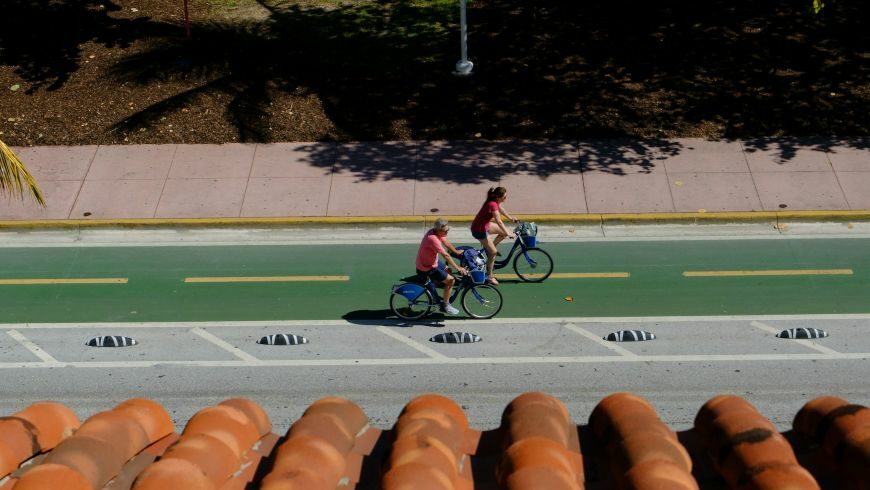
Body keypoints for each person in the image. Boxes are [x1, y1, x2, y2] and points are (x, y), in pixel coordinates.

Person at [416, 218, 467, 315]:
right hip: (426, 267)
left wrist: (456, 252)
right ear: (439, 230)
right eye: (446, 231)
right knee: (451, 280)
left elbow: (446, 242)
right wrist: (458, 268)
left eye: (448, 230)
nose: (447, 232)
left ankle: (440, 289)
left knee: (448, 270)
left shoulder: (436, 232)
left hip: (431, 261)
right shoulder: (432, 238)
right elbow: (446, 255)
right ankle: (445, 306)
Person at [470, 186, 516, 285]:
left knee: (503, 232)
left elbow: (501, 209)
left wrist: (510, 218)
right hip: (479, 230)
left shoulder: (494, 201)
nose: (506, 198)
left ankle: (490, 248)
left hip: (485, 225)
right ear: (498, 197)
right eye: (504, 196)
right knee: (493, 253)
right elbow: (499, 221)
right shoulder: (492, 204)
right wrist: (508, 233)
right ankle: (489, 277)